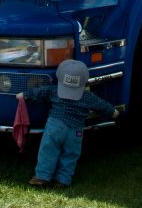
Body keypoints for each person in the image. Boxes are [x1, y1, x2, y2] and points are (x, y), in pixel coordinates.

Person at [18, 59, 118, 188]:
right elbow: (101, 105)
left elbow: (40, 91)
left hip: (55, 126)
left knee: (48, 150)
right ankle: (63, 180)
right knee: (70, 155)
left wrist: (24, 95)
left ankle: (42, 177)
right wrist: (114, 112)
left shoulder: (54, 91)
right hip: (75, 131)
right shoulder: (87, 97)